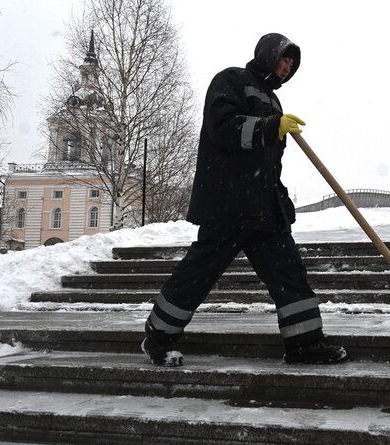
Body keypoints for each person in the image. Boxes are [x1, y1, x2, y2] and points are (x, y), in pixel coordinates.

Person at [141, 33, 347, 367]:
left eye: (291, 64)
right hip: (229, 204)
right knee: (199, 273)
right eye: (283, 59)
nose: (287, 68)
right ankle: (158, 336)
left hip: (264, 209)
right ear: (268, 55)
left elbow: (270, 162)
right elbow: (222, 128)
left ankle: (304, 344)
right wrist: (269, 127)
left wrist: (279, 198)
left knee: (289, 272)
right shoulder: (231, 80)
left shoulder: (274, 101)